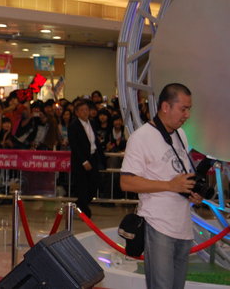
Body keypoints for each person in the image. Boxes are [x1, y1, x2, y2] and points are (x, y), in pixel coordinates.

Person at [121, 83, 201, 288]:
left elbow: (177, 174)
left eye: (189, 109)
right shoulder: (141, 138)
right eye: (183, 109)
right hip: (159, 226)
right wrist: (170, 185)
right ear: (165, 107)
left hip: (183, 225)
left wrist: (190, 191)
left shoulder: (181, 134)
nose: (187, 115)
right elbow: (126, 182)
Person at [68, 99, 103, 218]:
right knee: (82, 186)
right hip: (80, 160)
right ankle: (85, 213)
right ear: (77, 113)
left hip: (93, 156)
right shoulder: (73, 125)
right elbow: (74, 145)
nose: (85, 112)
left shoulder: (92, 123)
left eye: (86, 110)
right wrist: (84, 161)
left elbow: (95, 141)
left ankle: (78, 204)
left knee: (94, 184)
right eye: (82, 110)